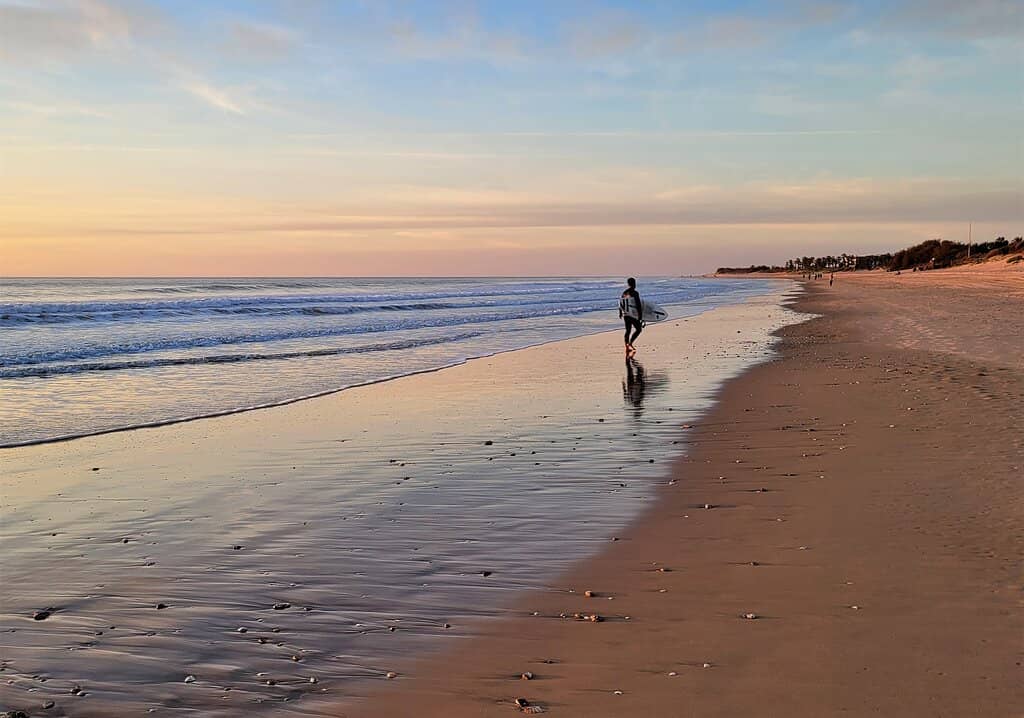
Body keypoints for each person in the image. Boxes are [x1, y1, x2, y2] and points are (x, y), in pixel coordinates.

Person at [618, 277, 643, 356]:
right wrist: (640, 315)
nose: (634, 285)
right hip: (633, 314)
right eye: (634, 283)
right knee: (638, 329)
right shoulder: (635, 293)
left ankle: (627, 346)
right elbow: (638, 304)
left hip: (626, 314)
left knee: (628, 330)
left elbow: (620, 303)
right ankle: (630, 343)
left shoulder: (624, 293)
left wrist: (620, 313)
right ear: (633, 284)